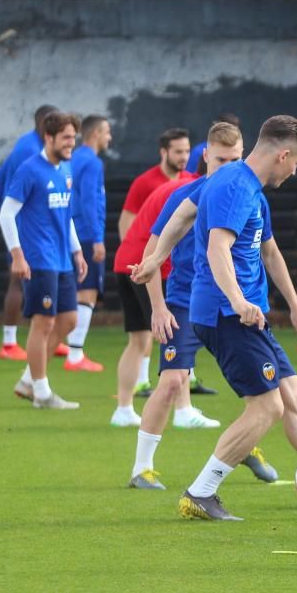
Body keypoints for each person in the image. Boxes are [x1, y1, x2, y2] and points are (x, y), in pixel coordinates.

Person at [169, 115, 297, 522]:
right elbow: (218, 248)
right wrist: (236, 300)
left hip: (246, 315)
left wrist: (295, 305)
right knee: (267, 407)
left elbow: (269, 252)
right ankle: (201, 493)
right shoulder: (235, 186)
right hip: (226, 315)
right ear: (283, 153)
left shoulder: (251, 188)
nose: (295, 171)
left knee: (295, 394)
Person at [126, 122, 278, 488]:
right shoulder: (186, 195)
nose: (228, 167)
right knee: (173, 380)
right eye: (221, 159)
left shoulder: (249, 193)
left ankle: (244, 446)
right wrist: (158, 308)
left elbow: (267, 250)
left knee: (263, 387)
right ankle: (141, 468)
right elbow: (152, 252)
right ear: (205, 157)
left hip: (233, 306)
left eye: (236, 159)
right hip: (184, 301)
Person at [1, 112, 87, 410]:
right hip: (39, 259)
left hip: (63, 258)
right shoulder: (29, 170)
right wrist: (17, 255)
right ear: (48, 138)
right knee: (44, 322)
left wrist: (76, 250)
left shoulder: (65, 169)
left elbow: (66, 215)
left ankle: (28, 379)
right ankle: (41, 392)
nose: (71, 144)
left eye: (74, 138)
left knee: (69, 320)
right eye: (65, 138)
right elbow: (6, 213)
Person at [117, 128, 197, 396]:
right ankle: (183, 408)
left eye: (187, 151)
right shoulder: (182, 188)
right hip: (147, 265)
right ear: (163, 152)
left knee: (141, 339)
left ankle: (124, 407)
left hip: (137, 262)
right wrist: (138, 260)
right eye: (178, 151)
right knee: (172, 329)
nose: (183, 156)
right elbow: (127, 223)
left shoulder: (186, 182)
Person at [0, 104, 59, 361]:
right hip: (26, 222)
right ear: (42, 123)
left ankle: (47, 337)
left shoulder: (29, 144)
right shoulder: (30, 149)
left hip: (34, 222)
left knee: (31, 278)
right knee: (17, 278)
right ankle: (10, 342)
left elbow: (3, 170)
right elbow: (16, 182)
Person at [64, 114, 111, 372]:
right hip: (84, 233)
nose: (109, 138)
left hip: (69, 231)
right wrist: (97, 239)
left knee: (75, 289)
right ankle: (75, 355)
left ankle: (71, 349)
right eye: (107, 132)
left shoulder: (73, 157)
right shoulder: (92, 163)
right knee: (88, 290)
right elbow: (89, 202)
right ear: (95, 134)